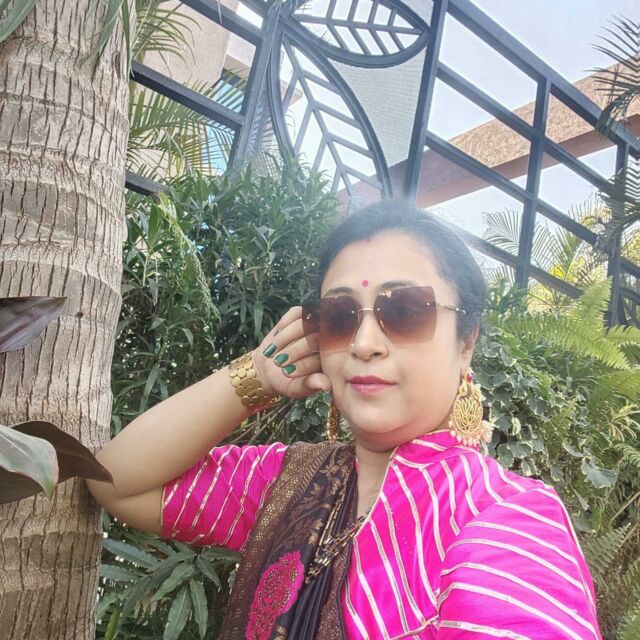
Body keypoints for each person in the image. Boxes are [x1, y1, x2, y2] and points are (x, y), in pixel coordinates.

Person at [88, 201, 602, 639]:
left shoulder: (504, 517)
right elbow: (113, 480)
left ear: (466, 341)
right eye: (339, 316)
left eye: (404, 311)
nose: (363, 343)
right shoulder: (290, 483)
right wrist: (254, 376)